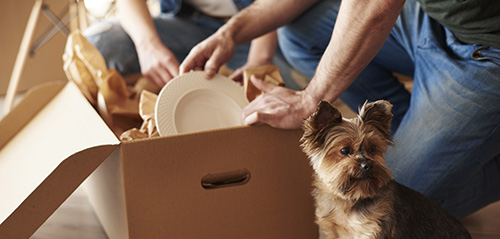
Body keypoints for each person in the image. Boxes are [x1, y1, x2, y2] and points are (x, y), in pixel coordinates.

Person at [180, 0, 500, 219]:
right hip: (431, 20)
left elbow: (374, 5)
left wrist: (310, 98)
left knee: (381, 206)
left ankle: (477, 146)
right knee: (300, 33)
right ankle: (418, 135)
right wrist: (230, 34)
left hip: (490, 50)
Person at [84, 0, 302, 90]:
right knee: (99, 44)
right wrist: (148, 45)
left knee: (281, 95)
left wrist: (259, 61)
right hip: (192, 24)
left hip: (268, 27)